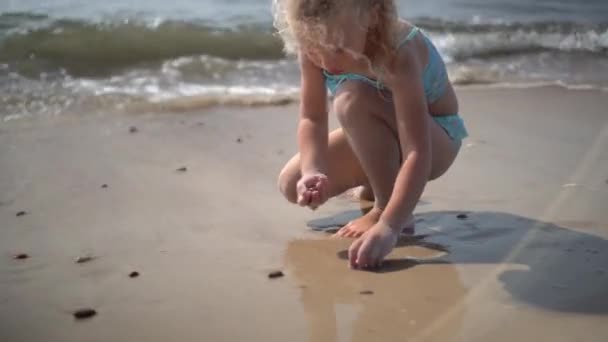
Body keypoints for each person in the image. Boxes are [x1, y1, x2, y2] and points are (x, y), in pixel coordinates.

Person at [274, 0, 468, 269]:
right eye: (315, 48)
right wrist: (312, 170)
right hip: (381, 128)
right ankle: (377, 178)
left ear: (372, 16)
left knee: (352, 99)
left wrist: (390, 225)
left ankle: (387, 204)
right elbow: (312, 118)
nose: (328, 62)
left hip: (436, 141)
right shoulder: (317, 42)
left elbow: (417, 151)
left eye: (338, 48)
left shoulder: (398, 52)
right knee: (291, 183)